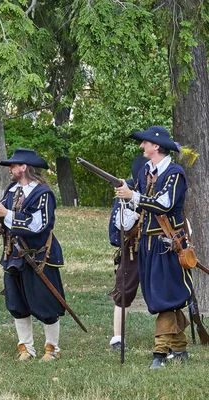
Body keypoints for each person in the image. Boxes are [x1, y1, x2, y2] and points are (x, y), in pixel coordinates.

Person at [115, 126, 193, 370]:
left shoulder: (174, 173)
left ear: (156, 146)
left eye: (145, 143)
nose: (142, 147)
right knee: (160, 295)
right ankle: (179, 350)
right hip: (147, 243)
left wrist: (133, 197)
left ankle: (160, 352)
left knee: (165, 297)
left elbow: (164, 205)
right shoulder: (145, 173)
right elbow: (140, 207)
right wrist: (125, 207)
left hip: (168, 244)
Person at [0, 148, 65, 361]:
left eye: (13, 166)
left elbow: (37, 224)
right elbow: (3, 215)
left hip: (39, 257)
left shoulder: (43, 194)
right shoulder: (12, 191)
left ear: (24, 168)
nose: (10, 169)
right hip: (14, 255)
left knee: (46, 303)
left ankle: (52, 349)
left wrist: (7, 215)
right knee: (17, 304)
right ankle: (26, 348)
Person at [108, 154, 146, 351]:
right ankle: (117, 338)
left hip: (159, 246)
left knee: (164, 291)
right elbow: (119, 224)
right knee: (124, 291)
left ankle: (169, 338)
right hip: (134, 247)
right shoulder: (127, 188)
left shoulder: (163, 185)